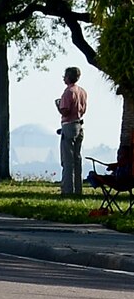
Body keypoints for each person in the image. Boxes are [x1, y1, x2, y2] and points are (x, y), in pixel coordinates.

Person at [55, 64, 88, 198]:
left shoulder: (68, 92)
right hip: (79, 124)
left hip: (69, 125)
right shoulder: (82, 92)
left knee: (67, 160)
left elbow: (65, 110)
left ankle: (68, 190)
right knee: (77, 158)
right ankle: (78, 189)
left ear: (68, 77)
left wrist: (58, 105)